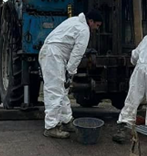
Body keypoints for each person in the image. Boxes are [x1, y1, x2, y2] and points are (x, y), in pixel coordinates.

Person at [40, 10, 104, 139]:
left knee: (62, 90)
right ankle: (51, 127)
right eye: (97, 25)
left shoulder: (74, 20)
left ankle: (66, 120)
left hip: (53, 53)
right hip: (54, 55)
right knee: (55, 91)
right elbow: (77, 54)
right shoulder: (84, 30)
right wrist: (71, 71)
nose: (97, 29)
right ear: (90, 21)